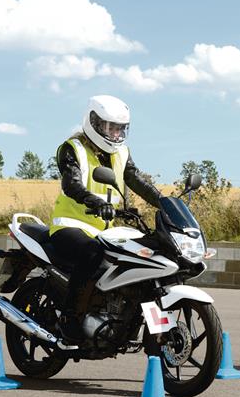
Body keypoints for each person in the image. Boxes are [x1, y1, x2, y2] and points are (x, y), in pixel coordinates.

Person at [49, 95, 162, 339]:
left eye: (121, 129)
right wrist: (96, 202)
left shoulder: (121, 153)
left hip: (105, 231)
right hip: (70, 226)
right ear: (94, 123)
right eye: (111, 127)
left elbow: (137, 180)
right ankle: (70, 318)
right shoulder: (73, 148)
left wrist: (164, 202)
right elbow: (72, 184)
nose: (116, 134)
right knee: (92, 254)